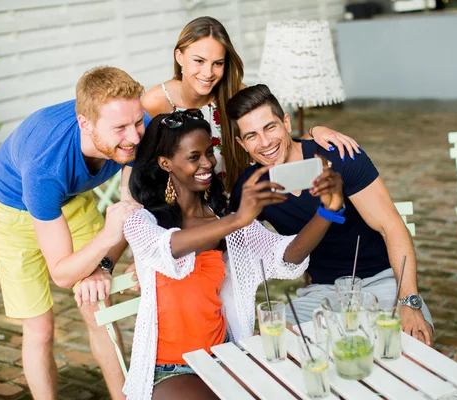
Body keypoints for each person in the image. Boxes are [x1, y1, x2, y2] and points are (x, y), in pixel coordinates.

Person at [121, 109, 345, 400]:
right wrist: (238, 219)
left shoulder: (225, 223)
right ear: (166, 163)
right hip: (170, 369)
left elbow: (286, 256)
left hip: (223, 355)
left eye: (209, 153)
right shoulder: (142, 222)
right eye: (194, 156)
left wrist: (328, 210)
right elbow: (168, 247)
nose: (207, 164)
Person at [227, 85, 434, 345]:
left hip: (380, 281)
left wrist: (409, 300)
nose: (265, 142)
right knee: (271, 344)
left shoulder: (339, 154)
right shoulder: (250, 189)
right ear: (241, 143)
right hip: (321, 292)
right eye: (251, 136)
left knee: (415, 343)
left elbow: (390, 226)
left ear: (286, 123)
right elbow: (233, 253)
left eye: (270, 127)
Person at [0, 66, 149, 399]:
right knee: (40, 327)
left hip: (71, 201)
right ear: (85, 125)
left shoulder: (135, 122)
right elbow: (61, 273)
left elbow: (132, 187)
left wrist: (106, 262)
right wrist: (106, 237)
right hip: (12, 211)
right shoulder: (46, 165)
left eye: (136, 123)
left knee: (97, 307)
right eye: (120, 128)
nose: (133, 136)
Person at [139, 16, 360, 193]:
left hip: (239, 202)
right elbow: (141, 168)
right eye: (199, 61)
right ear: (179, 56)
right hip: (183, 212)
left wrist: (314, 131)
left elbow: (271, 141)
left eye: (218, 63)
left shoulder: (235, 93)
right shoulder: (156, 102)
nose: (208, 73)